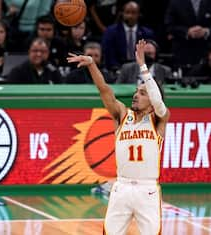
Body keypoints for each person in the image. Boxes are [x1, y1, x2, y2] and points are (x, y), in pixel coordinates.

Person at [67, 39, 170, 234]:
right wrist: (92, 65)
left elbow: (158, 101)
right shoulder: (123, 114)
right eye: (136, 92)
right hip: (121, 187)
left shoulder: (159, 120)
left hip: (147, 190)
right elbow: (104, 90)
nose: (136, 96)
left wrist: (143, 66)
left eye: (142, 93)